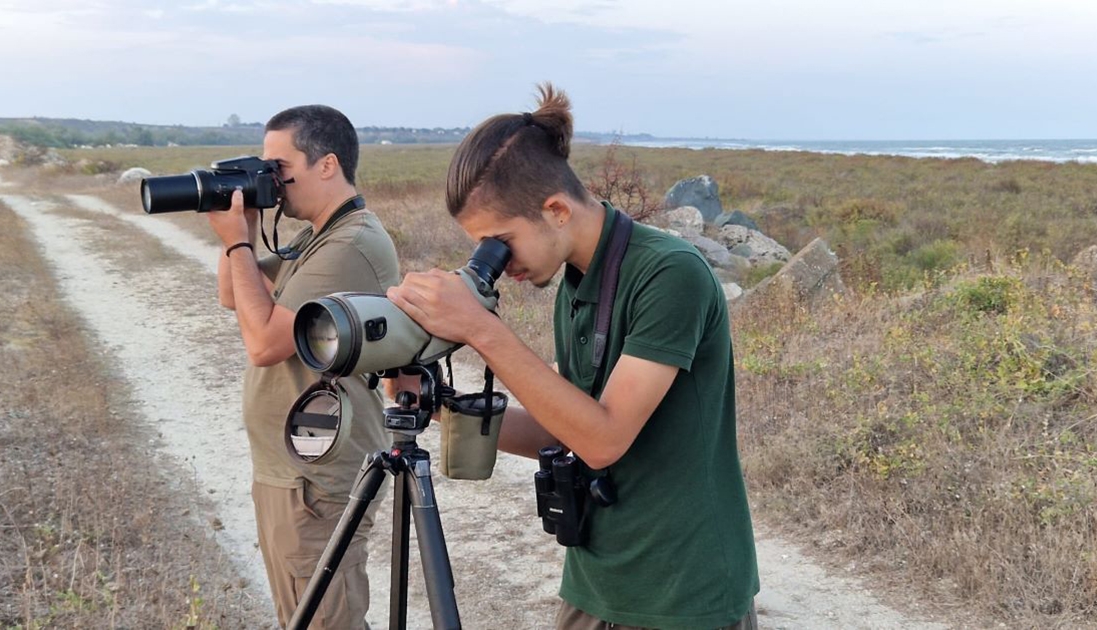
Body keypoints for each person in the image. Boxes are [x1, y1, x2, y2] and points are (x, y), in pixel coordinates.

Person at [387, 84, 760, 629]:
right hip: (598, 576)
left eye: (500, 241)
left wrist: (480, 327)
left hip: (683, 591)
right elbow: (563, 429)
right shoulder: (579, 279)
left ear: (556, 209)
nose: (496, 261)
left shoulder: (669, 274)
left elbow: (602, 439)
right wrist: (438, 403)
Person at [207, 104, 400, 629]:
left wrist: (238, 242)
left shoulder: (349, 243)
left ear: (327, 164)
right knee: (300, 617)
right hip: (290, 469)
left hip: (315, 475)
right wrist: (241, 224)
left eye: (279, 166)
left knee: (325, 621)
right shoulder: (318, 236)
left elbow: (265, 342)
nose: (272, 179)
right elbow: (235, 294)